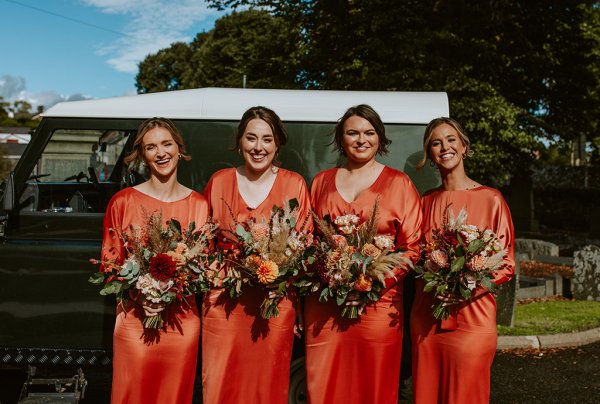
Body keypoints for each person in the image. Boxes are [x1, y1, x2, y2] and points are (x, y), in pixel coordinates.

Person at [304, 104, 422, 404]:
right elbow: (309, 241)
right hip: (327, 305)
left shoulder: (399, 183)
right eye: (352, 133)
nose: (361, 139)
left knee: (374, 386)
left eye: (369, 133)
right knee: (327, 383)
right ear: (341, 139)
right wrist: (332, 276)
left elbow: (412, 248)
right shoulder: (321, 182)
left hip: (380, 306)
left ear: (380, 139)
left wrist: (371, 282)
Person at [201, 106, 312, 404]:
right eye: (251, 138)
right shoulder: (219, 181)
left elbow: (304, 242)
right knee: (221, 381)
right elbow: (202, 243)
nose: (258, 147)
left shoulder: (294, 184)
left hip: (274, 302)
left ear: (277, 144)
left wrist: (285, 282)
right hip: (223, 302)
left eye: (267, 139)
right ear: (240, 141)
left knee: (267, 382)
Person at [101, 118, 208, 403]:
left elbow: (202, 268)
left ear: (179, 148)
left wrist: (175, 288)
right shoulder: (122, 202)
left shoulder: (199, 204)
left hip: (181, 324)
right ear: (142, 155)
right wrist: (141, 295)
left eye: (166, 144)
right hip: (134, 323)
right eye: (151, 147)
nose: (160, 153)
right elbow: (110, 266)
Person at [410, 117, 515, 404]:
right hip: (427, 317)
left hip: (473, 317)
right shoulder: (424, 202)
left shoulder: (491, 199)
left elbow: (505, 263)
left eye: (451, 139)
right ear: (430, 154)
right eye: (436, 142)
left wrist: (461, 288)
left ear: (465, 147)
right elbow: (415, 256)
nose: (444, 147)